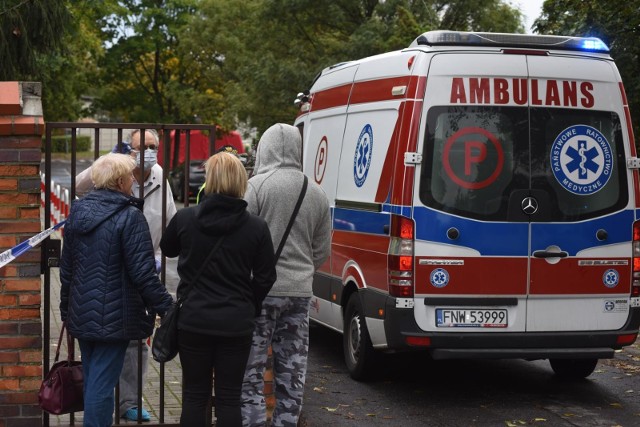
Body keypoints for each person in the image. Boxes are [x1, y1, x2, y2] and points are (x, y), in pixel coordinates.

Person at [160, 152, 277, 427]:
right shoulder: (257, 227)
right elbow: (266, 276)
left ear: (209, 180)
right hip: (236, 322)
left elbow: (167, 248)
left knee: (194, 396)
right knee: (228, 398)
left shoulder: (186, 218)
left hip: (193, 321)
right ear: (241, 181)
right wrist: (250, 302)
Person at [60, 153, 174, 427]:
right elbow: (143, 273)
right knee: (101, 385)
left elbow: (67, 268)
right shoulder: (130, 217)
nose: (134, 181)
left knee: (94, 380)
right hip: (115, 317)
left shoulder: (77, 212)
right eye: (131, 176)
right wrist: (168, 307)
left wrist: (66, 309)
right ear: (121, 180)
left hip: (81, 313)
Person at [241, 123, 331, 427]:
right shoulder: (316, 193)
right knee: (292, 373)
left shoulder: (255, 187)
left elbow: (241, 239)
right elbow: (322, 249)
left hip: (259, 292)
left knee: (250, 372)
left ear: (264, 148)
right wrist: (304, 270)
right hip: (299, 294)